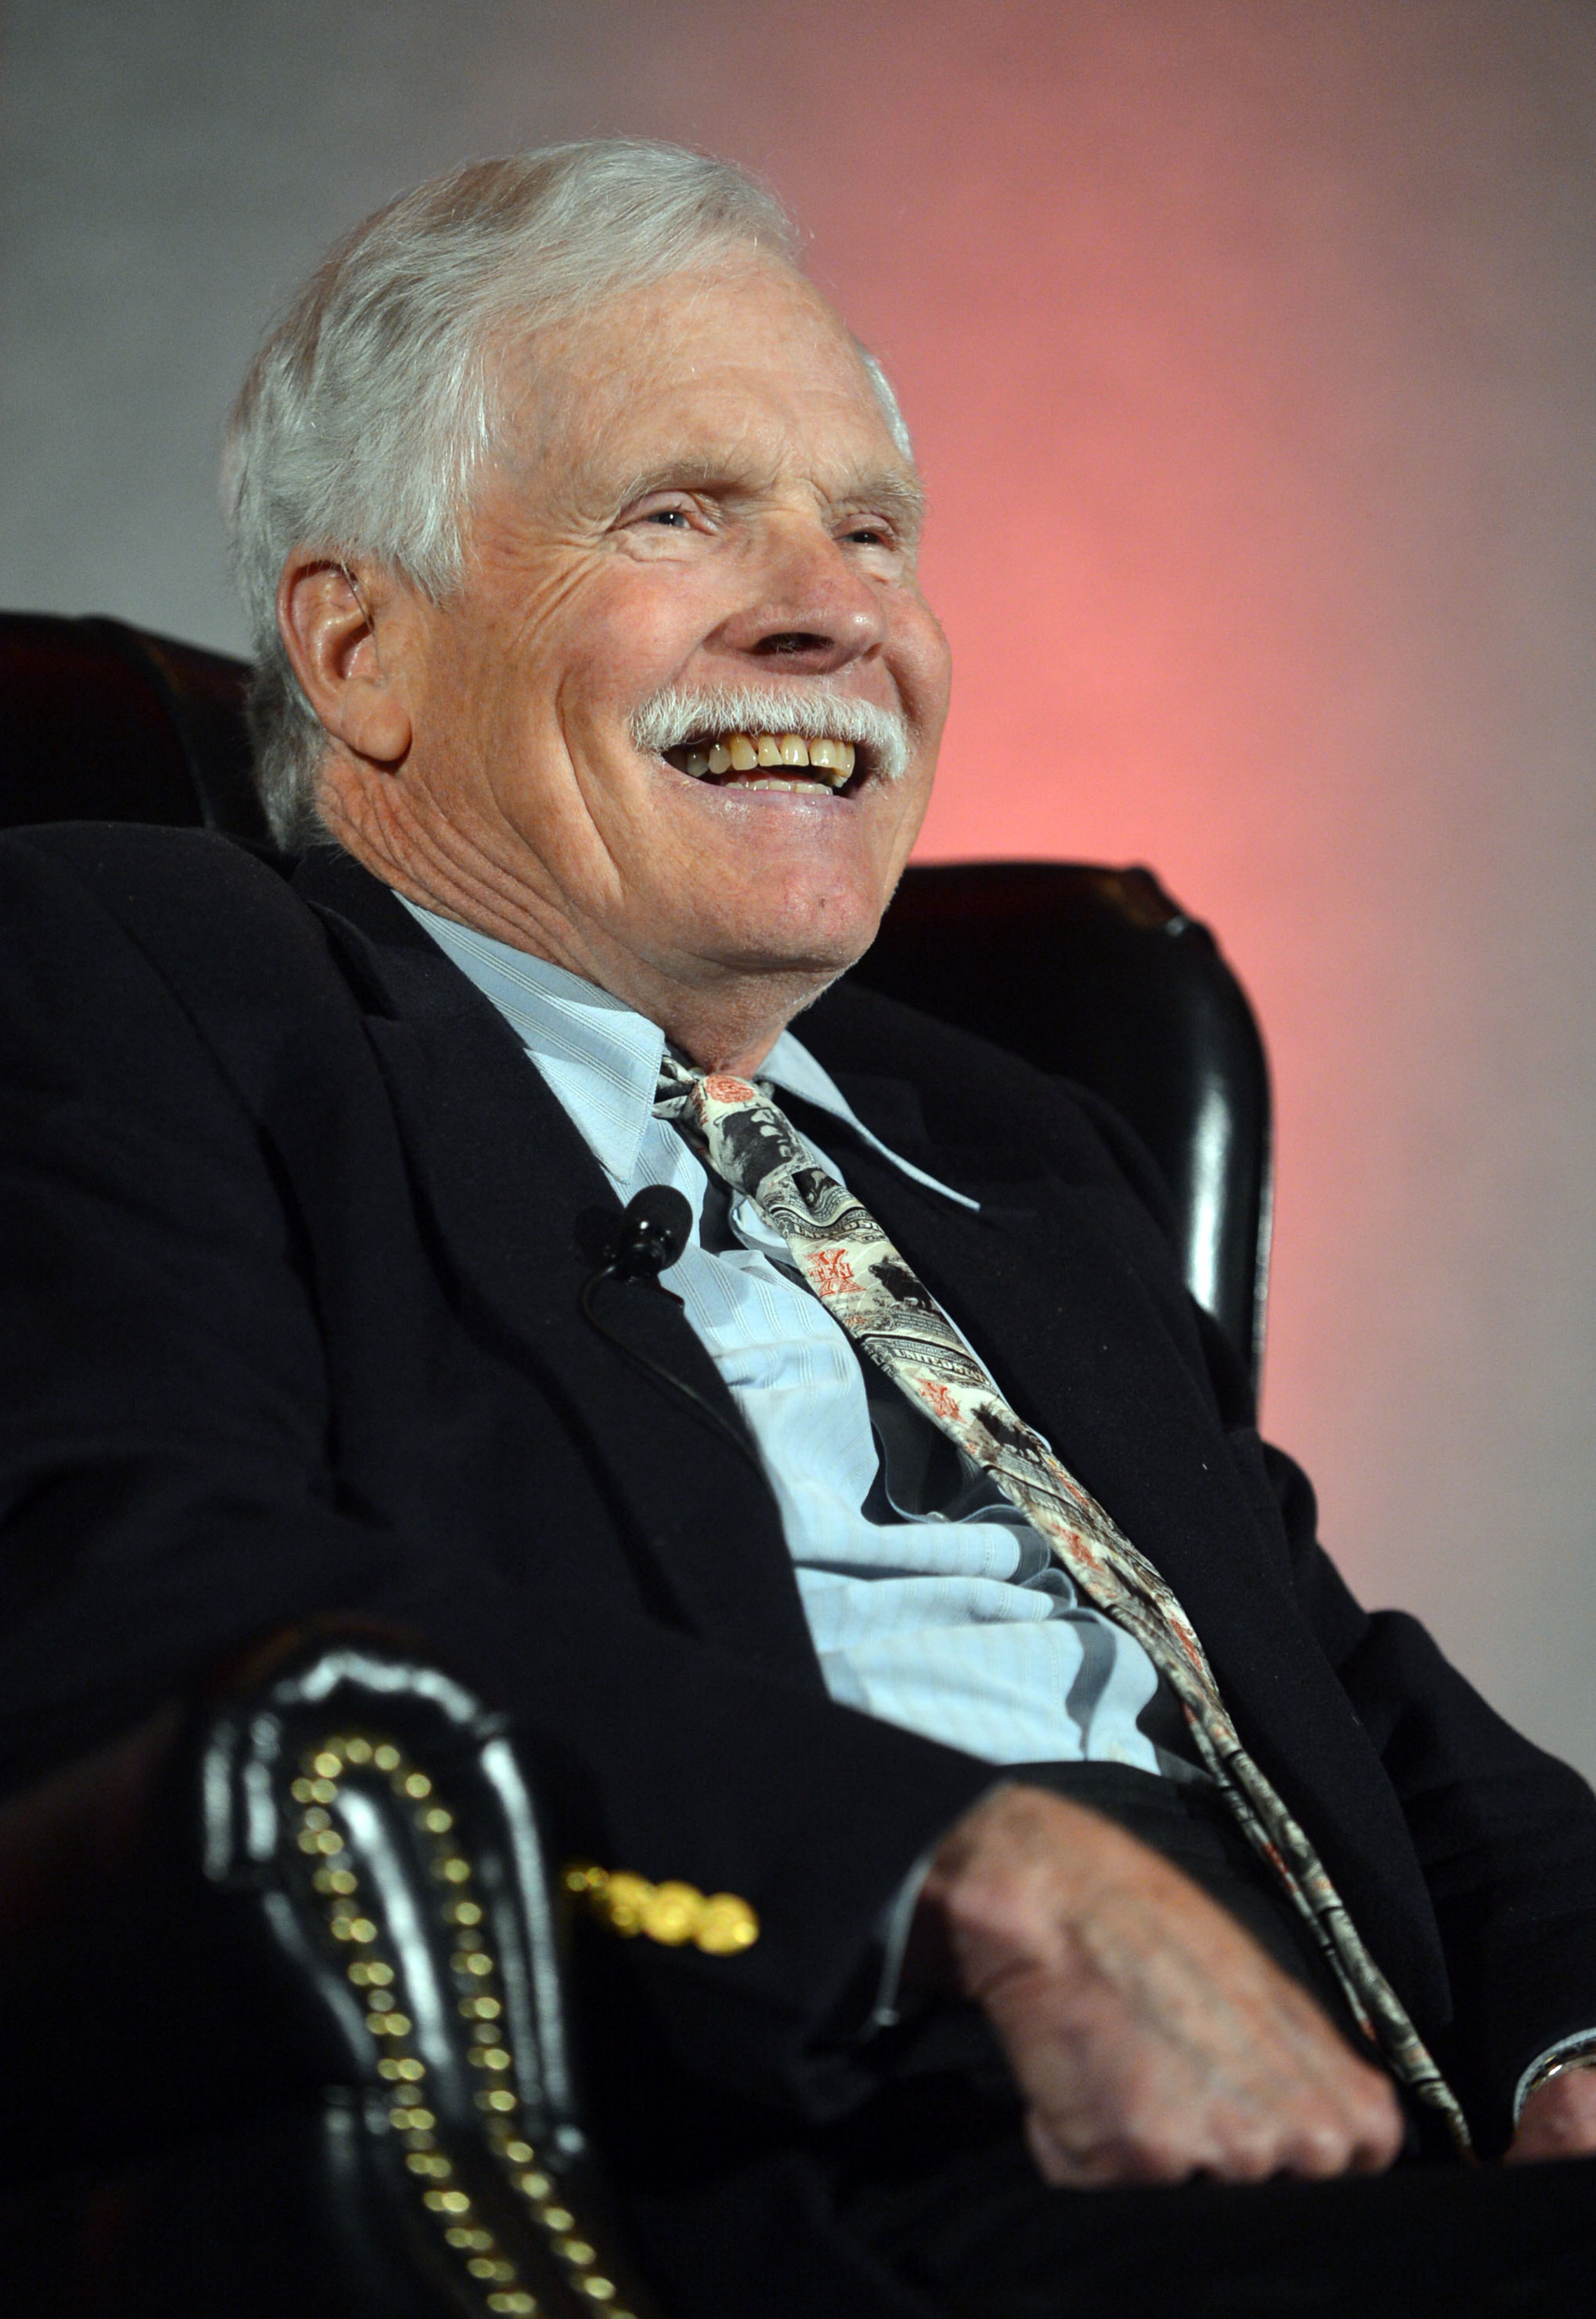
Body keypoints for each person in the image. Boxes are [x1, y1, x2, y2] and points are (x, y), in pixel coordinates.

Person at [2, 140, 1594, 2317]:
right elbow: (112, 1574)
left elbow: (1347, 1692)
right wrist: (942, 1860)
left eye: (870, 529)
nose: (832, 608)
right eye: (680, 512)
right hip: (834, 2170)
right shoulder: (154, 976)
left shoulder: (1011, 1140)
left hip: (1371, 2163)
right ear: (360, 650)